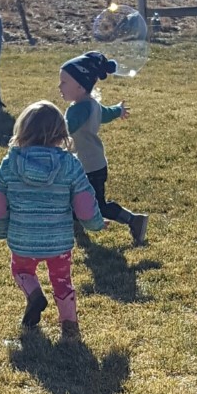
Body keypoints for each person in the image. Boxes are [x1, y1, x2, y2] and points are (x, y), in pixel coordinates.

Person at [0, 100, 104, 342]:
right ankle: (69, 327)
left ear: (22, 131)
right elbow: (84, 201)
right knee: (62, 281)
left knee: (21, 269)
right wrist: (94, 223)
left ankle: (33, 293)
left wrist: (1, 229)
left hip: (22, 240)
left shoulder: (10, 163)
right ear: (60, 133)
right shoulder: (70, 164)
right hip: (58, 242)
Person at [59, 51, 149, 248]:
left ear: (80, 86)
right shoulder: (92, 105)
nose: (59, 86)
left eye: (64, 82)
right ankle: (76, 227)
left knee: (98, 205)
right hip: (93, 164)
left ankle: (134, 220)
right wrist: (118, 110)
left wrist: (43, 132)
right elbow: (107, 114)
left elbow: (65, 129)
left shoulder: (79, 109)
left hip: (89, 166)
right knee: (73, 195)